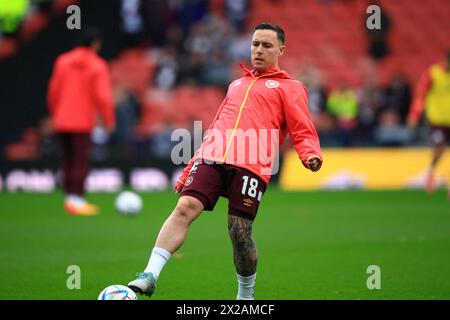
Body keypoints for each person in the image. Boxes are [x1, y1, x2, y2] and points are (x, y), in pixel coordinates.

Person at [127, 23, 323, 299]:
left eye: (267, 45)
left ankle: (245, 297)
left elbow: (301, 128)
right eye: (255, 44)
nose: (259, 50)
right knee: (184, 207)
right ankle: (149, 274)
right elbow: (217, 126)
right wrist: (189, 169)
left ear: (281, 49)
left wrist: (310, 154)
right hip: (213, 155)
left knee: (239, 232)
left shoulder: (290, 87)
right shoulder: (236, 84)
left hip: (252, 162)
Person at [47, 27, 115, 215]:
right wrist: (108, 120)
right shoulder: (97, 65)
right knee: (80, 161)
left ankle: (69, 197)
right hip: (82, 121)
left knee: (67, 160)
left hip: (62, 120)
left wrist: (56, 114)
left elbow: (53, 91)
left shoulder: (62, 61)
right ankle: (77, 200)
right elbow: (103, 96)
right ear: (95, 44)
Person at [407, 51, 450, 194]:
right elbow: (420, 95)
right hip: (437, 120)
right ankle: (431, 173)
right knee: (439, 148)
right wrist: (414, 115)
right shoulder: (433, 74)